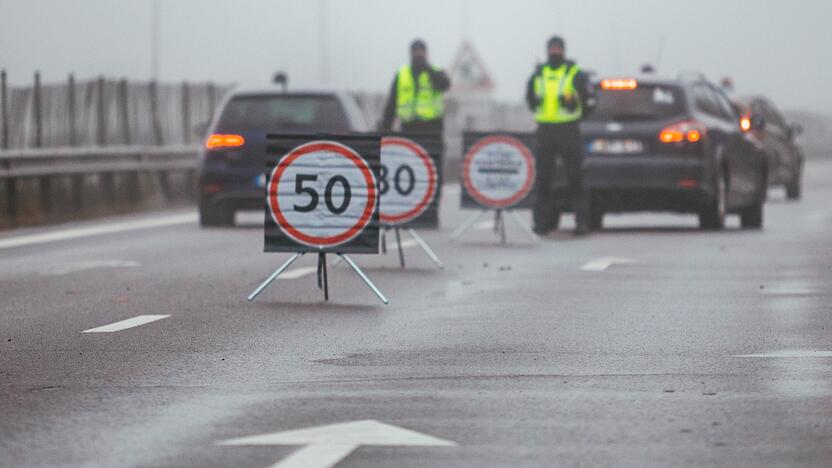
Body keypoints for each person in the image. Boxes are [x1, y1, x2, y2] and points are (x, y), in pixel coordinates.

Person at [526, 36, 594, 236]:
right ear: (547, 50)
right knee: (544, 179)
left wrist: (577, 113)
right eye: (552, 49)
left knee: (576, 178)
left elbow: (590, 101)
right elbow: (530, 99)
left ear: (564, 50)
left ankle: (582, 223)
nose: (555, 52)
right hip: (545, 131)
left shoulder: (575, 74)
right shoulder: (538, 74)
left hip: (568, 130)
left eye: (558, 48)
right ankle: (541, 224)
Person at [380, 39, 451, 136]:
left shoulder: (435, 71)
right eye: (415, 52)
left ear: (426, 53)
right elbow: (392, 103)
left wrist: (428, 70)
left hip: (432, 128)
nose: (418, 55)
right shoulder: (402, 74)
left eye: (420, 52)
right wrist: (386, 127)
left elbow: (445, 85)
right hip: (409, 127)